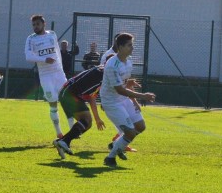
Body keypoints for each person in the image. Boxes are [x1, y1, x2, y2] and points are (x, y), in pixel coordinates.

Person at [101, 33, 155, 167]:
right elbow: (119, 89)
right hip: (111, 102)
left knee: (140, 127)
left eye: (132, 44)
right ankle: (110, 158)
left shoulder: (128, 61)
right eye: (129, 45)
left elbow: (124, 84)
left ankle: (117, 144)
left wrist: (130, 85)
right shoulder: (112, 64)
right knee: (129, 132)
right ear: (120, 47)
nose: (132, 48)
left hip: (123, 99)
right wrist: (143, 96)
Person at [25, 15, 74, 138]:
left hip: (58, 73)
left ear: (44, 24)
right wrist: (44, 59)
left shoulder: (52, 34)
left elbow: (57, 52)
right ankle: (59, 132)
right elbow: (28, 56)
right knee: (53, 104)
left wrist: (60, 69)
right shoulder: (31, 39)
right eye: (33, 25)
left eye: (38, 24)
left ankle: (73, 130)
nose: (35, 27)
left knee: (67, 100)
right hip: (45, 75)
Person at [52, 64, 107, 159]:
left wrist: (97, 119)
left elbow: (92, 96)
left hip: (69, 93)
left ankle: (62, 141)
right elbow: (92, 98)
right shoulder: (101, 75)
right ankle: (64, 141)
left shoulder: (101, 72)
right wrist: (97, 118)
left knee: (87, 124)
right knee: (86, 119)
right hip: (69, 94)